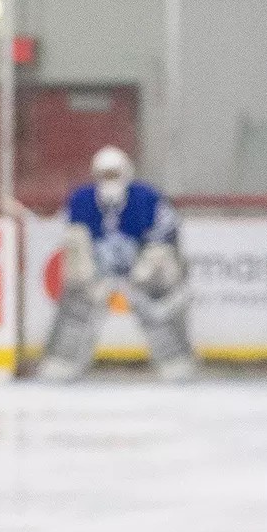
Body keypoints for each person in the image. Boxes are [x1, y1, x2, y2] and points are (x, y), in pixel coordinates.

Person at [37, 146, 195, 382]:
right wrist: (86, 273)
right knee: (77, 304)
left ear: (127, 172)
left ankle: (176, 361)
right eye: (104, 174)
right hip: (96, 271)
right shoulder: (81, 200)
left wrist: (148, 266)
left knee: (160, 306)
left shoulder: (147, 198)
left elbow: (168, 233)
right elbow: (69, 235)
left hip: (142, 270)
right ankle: (62, 361)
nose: (110, 180)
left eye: (114, 174)